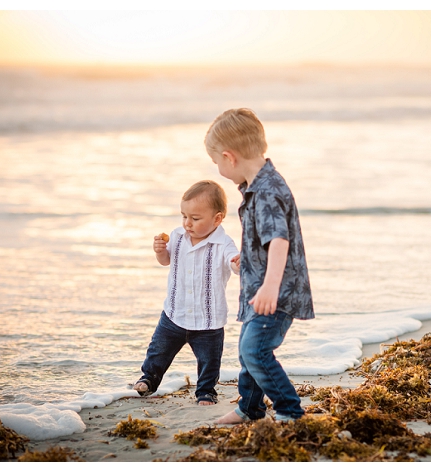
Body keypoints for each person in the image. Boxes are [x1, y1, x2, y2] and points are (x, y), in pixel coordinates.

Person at [204, 108, 314, 423]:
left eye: (217, 163)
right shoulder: (258, 187)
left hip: (274, 292)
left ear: (229, 157)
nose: (219, 169)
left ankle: (290, 411)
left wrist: (269, 285)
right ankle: (250, 408)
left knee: (255, 351)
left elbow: (279, 240)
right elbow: (265, 240)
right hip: (261, 286)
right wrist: (247, 259)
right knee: (247, 350)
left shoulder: (267, 191)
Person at [132, 180, 240, 406]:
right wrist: (160, 251)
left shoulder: (223, 244)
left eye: (195, 218)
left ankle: (206, 391)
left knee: (209, 360)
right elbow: (166, 261)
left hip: (208, 321)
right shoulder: (177, 236)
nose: (187, 223)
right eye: (184, 216)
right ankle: (149, 378)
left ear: (217, 219)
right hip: (174, 313)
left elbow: (234, 263)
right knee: (158, 350)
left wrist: (238, 264)